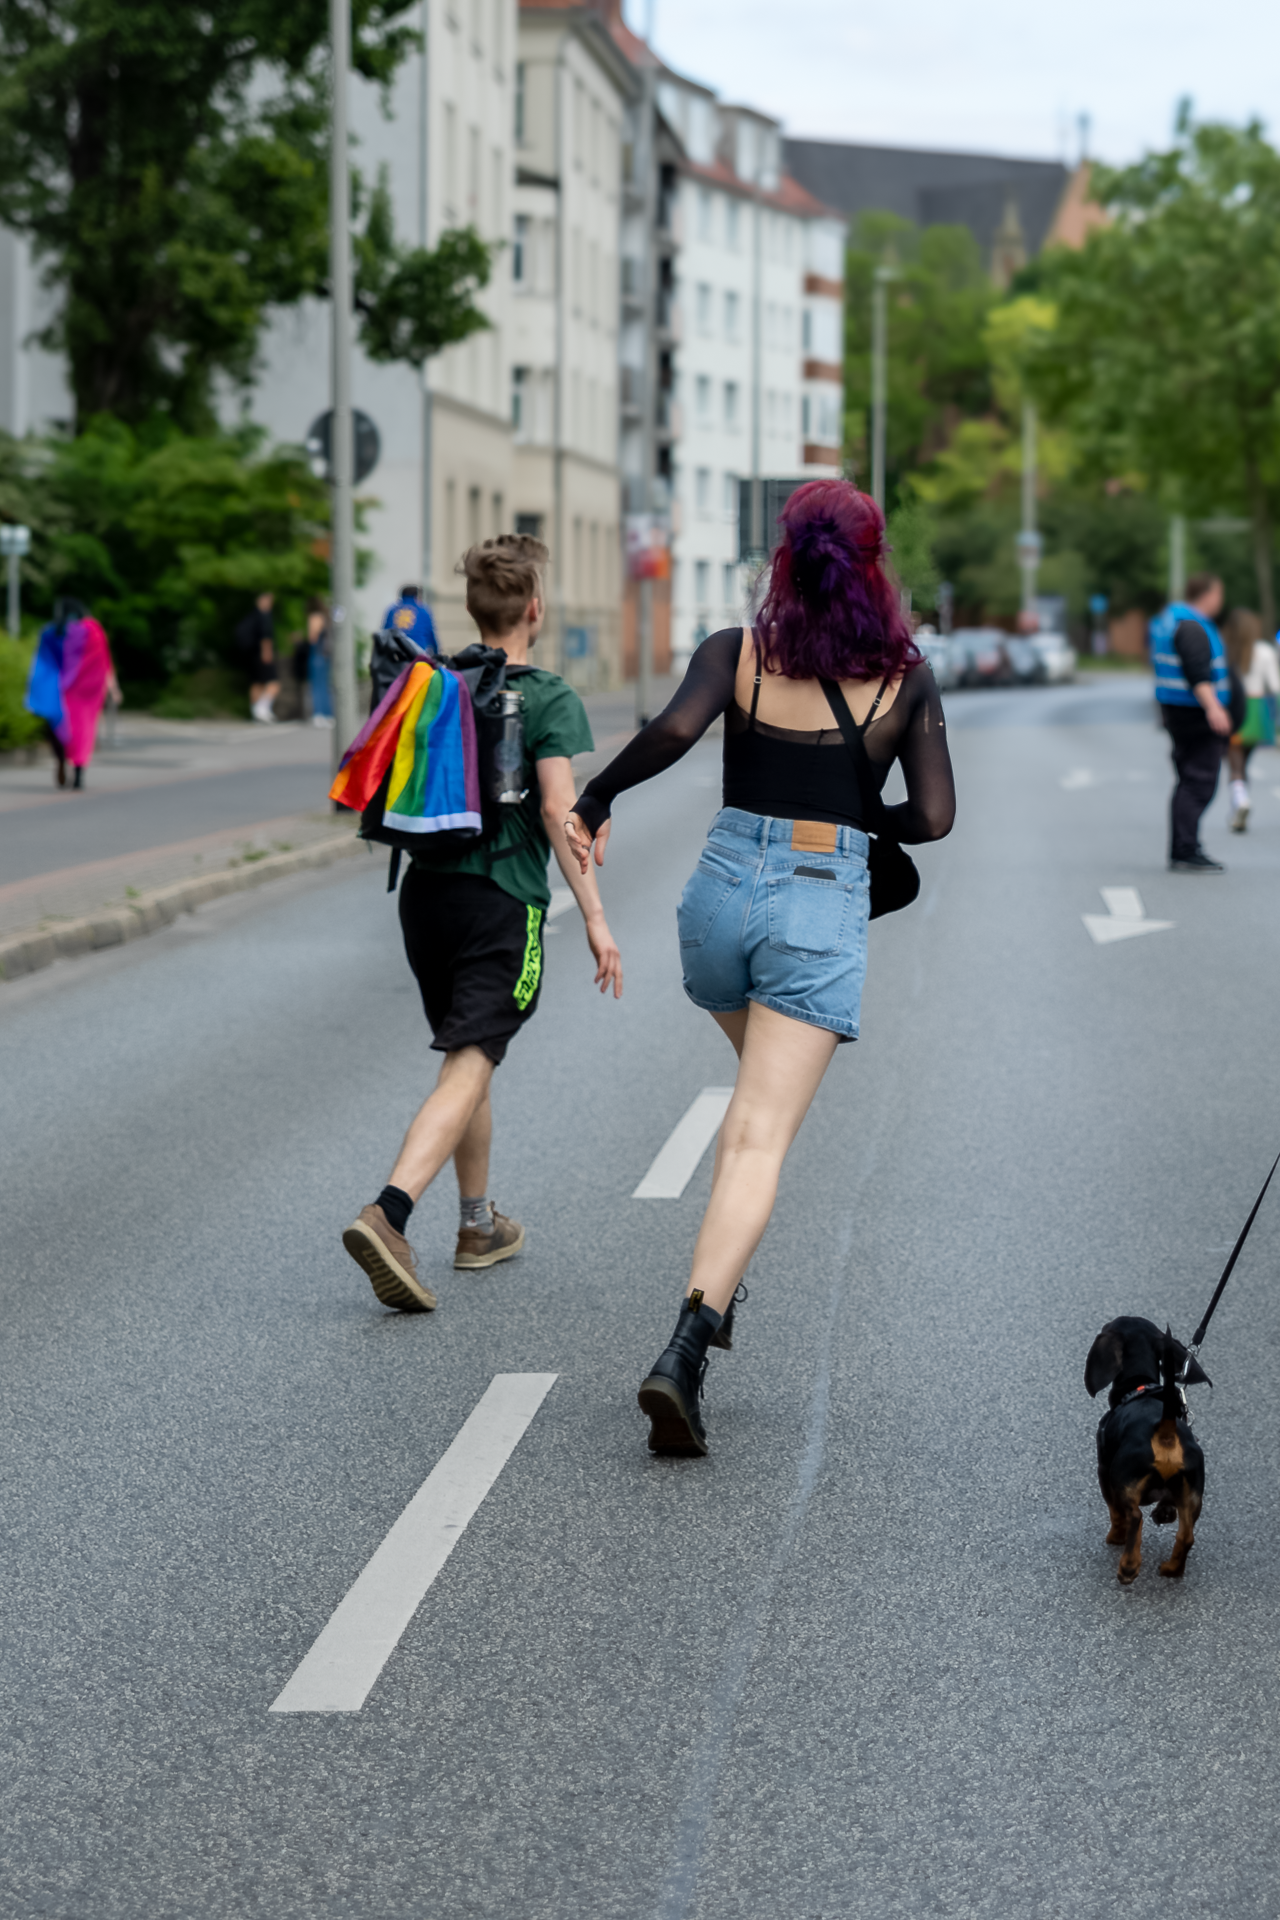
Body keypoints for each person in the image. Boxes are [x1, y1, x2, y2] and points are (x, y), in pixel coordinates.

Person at [564, 480, 956, 1457]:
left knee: (751, 1109)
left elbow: (666, 733)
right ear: (871, 566)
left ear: (785, 561)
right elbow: (935, 818)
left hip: (718, 901)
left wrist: (595, 801)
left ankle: (720, 1286)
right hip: (816, 903)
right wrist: (859, 820)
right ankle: (687, 1347)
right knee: (755, 1141)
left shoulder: (733, 653)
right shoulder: (901, 678)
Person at [343, 534, 623, 1312]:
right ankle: (390, 1214)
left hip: (425, 900)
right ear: (535, 609)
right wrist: (596, 917)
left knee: (472, 1055)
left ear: (472, 608)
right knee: (472, 1058)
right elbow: (562, 812)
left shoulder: (434, 685)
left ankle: (477, 1226)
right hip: (503, 902)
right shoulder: (549, 697)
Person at [1149, 574, 1232, 873]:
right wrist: (1214, 708)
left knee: (1188, 779)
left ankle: (1185, 846)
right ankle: (1185, 849)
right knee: (1198, 781)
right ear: (1207, 594)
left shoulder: (1170, 620)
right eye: (1218, 592)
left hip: (1177, 709)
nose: (1220, 600)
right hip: (1194, 712)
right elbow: (1198, 672)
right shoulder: (1193, 627)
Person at [24, 597, 121, 790]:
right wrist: (113, 688)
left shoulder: (50, 632)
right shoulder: (92, 630)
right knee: (83, 729)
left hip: (55, 688)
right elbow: (103, 662)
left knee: (55, 726)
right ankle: (78, 772)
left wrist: (39, 690)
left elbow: (42, 662)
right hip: (83, 691)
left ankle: (60, 760)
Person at [1222, 608, 1278, 832]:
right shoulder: (1264, 651)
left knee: (1235, 762)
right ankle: (1239, 808)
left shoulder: (1225, 651)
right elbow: (1275, 687)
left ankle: (1240, 800)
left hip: (1233, 707)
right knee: (1245, 761)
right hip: (1257, 710)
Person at [237, 591, 280, 722]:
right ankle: (261, 709)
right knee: (274, 683)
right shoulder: (264, 616)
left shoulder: (251, 616)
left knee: (257, 683)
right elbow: (265, 637)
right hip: (262, 655)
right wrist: (267, 654)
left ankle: (255, 711)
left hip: (251, 655)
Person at [382, 583, 438, 656]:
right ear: (417, 596)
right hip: (417, 653)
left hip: (395, 653)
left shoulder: (392, 610)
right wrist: (436, 653)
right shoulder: (423, 610)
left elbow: (384, 633)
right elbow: (431, 635)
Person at [305, 598, 334, 729]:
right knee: (325, 685)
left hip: (316, 654)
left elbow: (313, 637)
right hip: (325, 655)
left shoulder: (315, 617)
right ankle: (328, 714)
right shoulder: (326, 616)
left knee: (316, 686)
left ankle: (318, 714)